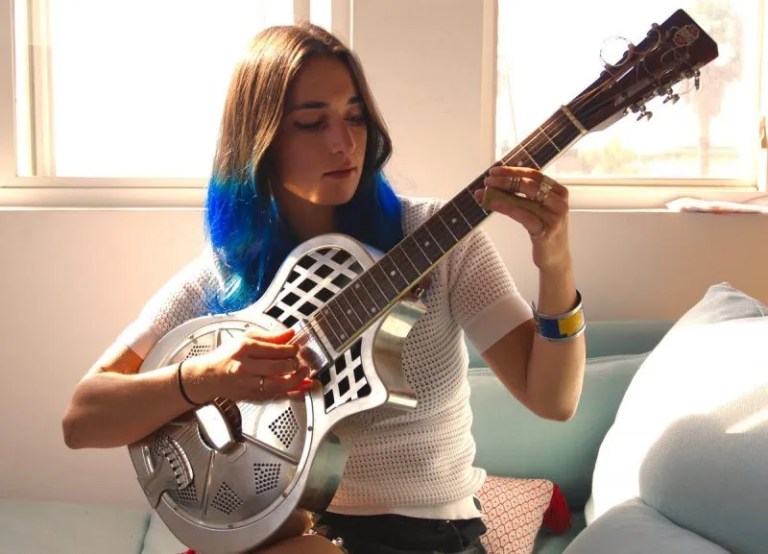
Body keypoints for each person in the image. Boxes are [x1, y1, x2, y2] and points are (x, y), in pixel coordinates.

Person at [62, 22, 586, 554]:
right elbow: (82, 418)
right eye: (312, 123)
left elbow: (554, 399)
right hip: (292, 536)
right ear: (259, 141)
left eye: (354, 117)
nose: (344, 143)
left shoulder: (438, 240)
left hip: (428, 538)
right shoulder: (223, 275)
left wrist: (556, 261)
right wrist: (206, 376)